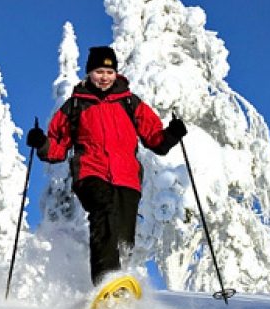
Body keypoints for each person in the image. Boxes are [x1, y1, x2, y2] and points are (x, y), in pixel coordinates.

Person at [27, 46, 187, 286]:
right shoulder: (75, 106)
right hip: (90, 172)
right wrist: (42, 144)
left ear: (116, 74)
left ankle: (119, 282)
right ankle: (105, 280)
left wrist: (172, 134)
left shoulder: (130, 103)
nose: (104, 77)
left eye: (109, 72)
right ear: (89, 73)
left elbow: (156, 140)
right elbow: (57, 148)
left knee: (124, 236)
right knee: (103, 212)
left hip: (127, 177)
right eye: (99, 71)